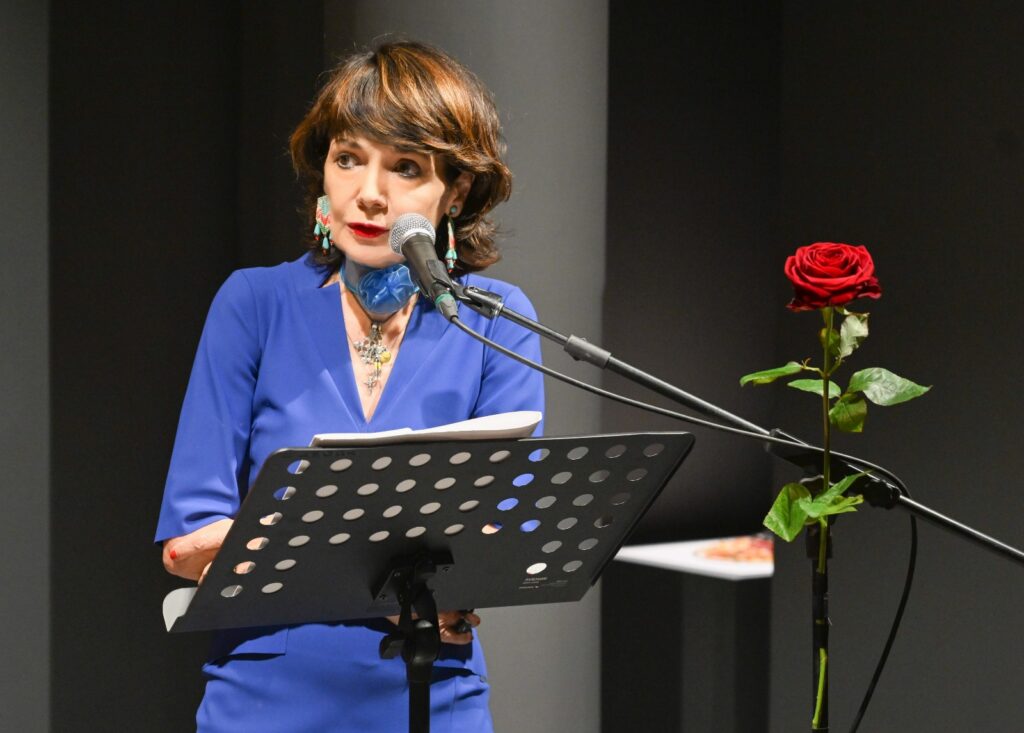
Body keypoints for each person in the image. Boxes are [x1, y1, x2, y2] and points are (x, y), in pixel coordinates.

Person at [155, 41, 544, 733]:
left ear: (455, 192)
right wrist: (391, 577)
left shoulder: (495, 320)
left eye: (406, 167)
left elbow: (499, 534)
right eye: (348, 158)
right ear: (323, 174)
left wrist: (295, 548)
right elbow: (190, 544)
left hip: (436, 688)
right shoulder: (254, 304)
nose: (369, 192)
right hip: (267, 692)